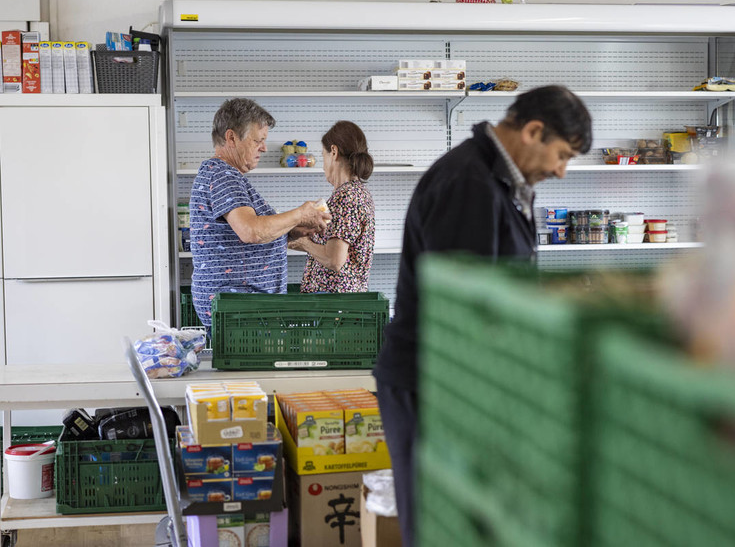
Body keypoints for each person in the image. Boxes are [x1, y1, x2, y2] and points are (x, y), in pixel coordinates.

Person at [374, 85, 592, 546]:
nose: (561, 171)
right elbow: (461, 315)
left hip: (462, 385)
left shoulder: (503, 183)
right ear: (533, 131)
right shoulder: (468, 184)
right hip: (432, 386)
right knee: (440, 525)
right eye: (562, 155)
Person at [189, 98, 331, 327]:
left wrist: (292, 231)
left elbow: (248, 235)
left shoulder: (224, 174)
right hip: (240, 312)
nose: (264, 148)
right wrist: (300, 213)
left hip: (244, 310)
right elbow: (250, 231)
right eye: (258, 140)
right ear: (232, 137)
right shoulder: (223, 175)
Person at [291, 120, 376, 293]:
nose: (323, 167)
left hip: (333, 308)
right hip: (342, 305)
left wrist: (303, 243)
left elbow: (335, 260)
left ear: (334, 152)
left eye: (323, 156)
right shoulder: (358, 193)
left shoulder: (347, 197)